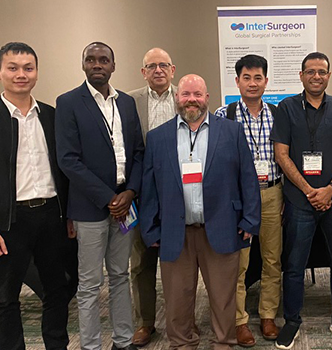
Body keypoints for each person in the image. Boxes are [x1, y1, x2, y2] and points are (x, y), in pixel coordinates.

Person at [0, 42, 75, 350]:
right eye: (13, 68)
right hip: (9, 222)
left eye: (28, 68)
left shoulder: (52, 117)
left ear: (36, 73)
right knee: (5, 296)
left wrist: (69, 215)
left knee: (59, 290)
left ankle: (57, 345)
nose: (21, 74)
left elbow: (64, 171)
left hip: (52, 216)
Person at [140, 74, 261, 350]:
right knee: (177, 300)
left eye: (197, 94)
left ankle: (224, 343)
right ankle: (182, 344)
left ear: (207, 98)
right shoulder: (157, 138)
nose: (191, 100)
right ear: (177, 98)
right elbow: (149, 189)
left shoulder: (231, 131)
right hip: (174, 233)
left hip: (221, 227)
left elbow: (248, 179)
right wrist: (150, 229)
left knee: (223, 298)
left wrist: (250, 220)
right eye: (185, 94)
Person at [271, 52, 332, 349]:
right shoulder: (286, 108)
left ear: (329, 74)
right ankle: (292, 321)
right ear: (301, 75)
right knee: (294, 263)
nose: (316, 76)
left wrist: (331, 188)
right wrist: (309, 190)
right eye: (310, 71)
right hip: (300, 200)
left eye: (321, 71)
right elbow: (281, 154)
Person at [55, 42, 144, 350]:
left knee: (120, 275)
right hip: (91, 208)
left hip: (125, 206)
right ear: (83, 66)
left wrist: (130, 193)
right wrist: (109, 198)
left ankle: (123, 340)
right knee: (90, 284)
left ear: (113, 66)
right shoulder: (68, 103)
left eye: (103, 60)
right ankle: (91, 345)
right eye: (91, 59)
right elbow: (68, 160)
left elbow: (138, 153)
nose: (97, 64)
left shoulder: (127, 103)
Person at [214, 54, 282, 347]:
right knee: (238, 263)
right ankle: (240, 321)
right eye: (247, 78)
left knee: (272, 258)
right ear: (237, 81)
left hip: (272, 193)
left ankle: (268, 315)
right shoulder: (223, 115)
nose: (252, 83)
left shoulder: (280, 114)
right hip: (239, 198)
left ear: (266, 81)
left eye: (258, 78)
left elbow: (286, 157)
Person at [126, 47, 176, 347]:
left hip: (179, 194)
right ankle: (145, 322)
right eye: (151, 66)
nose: (158, 70)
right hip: (142, 193)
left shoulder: (187, 96)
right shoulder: (128, 102)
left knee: (178, 261)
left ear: (173, 69)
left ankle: (179, 318)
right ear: (143, 72)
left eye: (163, 65)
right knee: (141, 261)